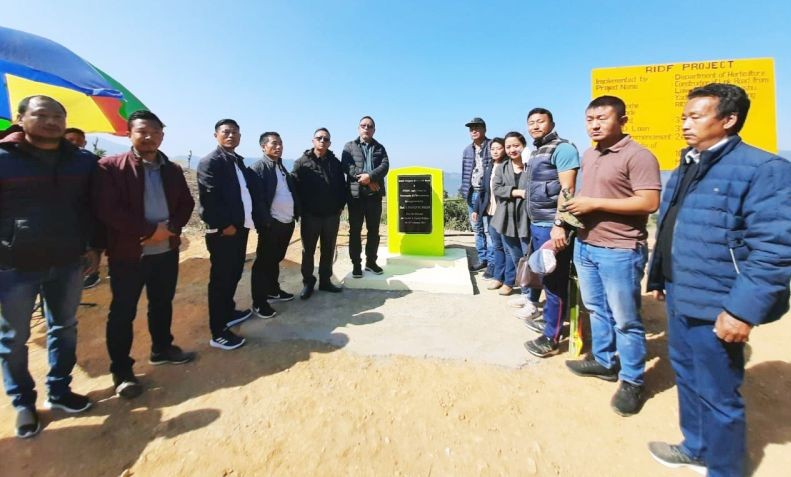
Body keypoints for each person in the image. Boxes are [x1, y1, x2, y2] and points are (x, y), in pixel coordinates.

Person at [645, 84, 791, 477]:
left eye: (695, 116)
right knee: (688, 376)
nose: (685, 123)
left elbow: (775, 250)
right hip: (680, 293)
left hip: (719, 302)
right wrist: (659, 277)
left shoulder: (764, 170)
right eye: (684, 116)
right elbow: (670, 227)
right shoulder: (686, 165)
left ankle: (725, 469)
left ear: (728, 119)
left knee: (718, 393)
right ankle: (696, 447)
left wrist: (740, 310)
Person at [0, 96, 99, 438]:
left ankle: (59, 390)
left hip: (68, 261)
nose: (52, 122)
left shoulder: (82, 161)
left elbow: (91, 208)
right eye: (42, 115)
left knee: (64, 328)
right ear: (20, 118)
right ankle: (23, 403)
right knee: (14, 338)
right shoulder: (3, 158)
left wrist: (93, 247)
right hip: (14, 266)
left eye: (59, 115)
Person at [563, 95, 661, 417]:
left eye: (602, 118)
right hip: (586, 245)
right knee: (596, 308)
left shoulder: (638, 156)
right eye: (590, 118)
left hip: (620, 250)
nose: (594, 124)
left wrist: (594, 204)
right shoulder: (589, 155)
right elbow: (585, 197)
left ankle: (633, 380)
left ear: (622, 120)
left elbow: (648, 203)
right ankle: (604, 360)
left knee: (626, 319)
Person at [94, 110, 196, 399]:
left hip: (166, 250)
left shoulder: (172, 169)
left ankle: (162, 348)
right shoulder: (110, 167)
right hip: (130, 252)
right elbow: (108, 209)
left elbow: (186, 204)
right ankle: (122, 371)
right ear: (129, 134)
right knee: (123, 311)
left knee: (162, 302)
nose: (149, 136)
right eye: (142, 131)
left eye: (155, 131)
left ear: (162, 136)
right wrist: (148, 230)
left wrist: (171, 228)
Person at [521, 108, 580, 358]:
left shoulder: (563, 148)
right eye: (531, 123)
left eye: (540, 121)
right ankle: (550, 321)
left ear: (552, 123)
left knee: (554, 281)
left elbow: (568, 189)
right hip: (537, 223)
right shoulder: (536, 152)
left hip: (551, 227)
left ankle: (551, 337)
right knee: (545, 276)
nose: (535, 126)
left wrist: (560, 224)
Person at [197, 119, 258, 351]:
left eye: (235, 132)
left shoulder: (237, 162)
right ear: (216, 135)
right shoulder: (210, 162)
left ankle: (228, 312)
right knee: (221, 280)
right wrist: (225, 225)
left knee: (233, 273)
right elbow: (209, 197)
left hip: (239, 228)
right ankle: (218, 331)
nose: (231, 136)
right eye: (226, 132)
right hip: (224, 231)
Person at [291, 128, 346, 299]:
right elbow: (294, 188)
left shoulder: (335, 162)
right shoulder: (302, 162)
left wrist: (340, 206)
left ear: (329, 143)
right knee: (308, 251)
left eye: (326, 139)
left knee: (328, 249)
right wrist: (300, 211)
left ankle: (325, 281)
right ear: (313, 141)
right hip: (310, 216)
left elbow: (342, 187)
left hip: (331, 215)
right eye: (319, 138)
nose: (322, 141)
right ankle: (308, 282)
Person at [249, 132, 297, 315]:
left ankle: (273, 290)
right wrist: (266, 222)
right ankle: (259, 302)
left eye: (281, 143)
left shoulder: (281, 166)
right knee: (263, 263)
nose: (279, 147)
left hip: (286, 222)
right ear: (263, 147)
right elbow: (257, 200)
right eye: (274, 143)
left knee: (275, 259)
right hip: (272, 224)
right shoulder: (258, 168)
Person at [341, 116, 390, 278]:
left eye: (369, 126)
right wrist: (368, 181)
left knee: (374, 231)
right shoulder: (349, 147)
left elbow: (385, 166)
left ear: (374, 130)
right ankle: (356, 265)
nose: (366, 128)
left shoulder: (380, 148)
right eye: (363, 125)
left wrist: (370, 176)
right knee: (355, 231)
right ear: (358, 128)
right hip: (356, 197)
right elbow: (348, 167)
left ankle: (371, 262)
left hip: (374, 197)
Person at [491, 132, 533, 300]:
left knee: (528, 257)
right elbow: (497, 188)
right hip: (505, 220)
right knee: (516, 258)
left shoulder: (531, 166)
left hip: (526, 218)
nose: (512, 150)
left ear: (523, 145)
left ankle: (530, 295)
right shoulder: (502, 167)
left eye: (516, 145)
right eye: (508, 147)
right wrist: (517, 192)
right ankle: (525, 292)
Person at [473, 137, 515, 291]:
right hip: (491, 212)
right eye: (492, 149)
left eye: (499, 148)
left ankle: (509, 281)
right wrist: (477, 209)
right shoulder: (490, 165)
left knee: (507, 247)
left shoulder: (508, 165)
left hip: (504, 213)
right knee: (497, 246)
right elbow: (483, 190)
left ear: (504, 149)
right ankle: (498, 277)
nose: (495, 151)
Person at [64, 127, 103, 290]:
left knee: (91, 246)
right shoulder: (50, 163)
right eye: (70, 140)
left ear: (85, 144)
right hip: (62, 219)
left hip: (87, 215)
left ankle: (92, 275)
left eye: (79, 141)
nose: (75, 144)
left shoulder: (91, 162)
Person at [460, 117, 492, 272]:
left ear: (485, 129)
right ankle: (482, 259)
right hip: (472, 194)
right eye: (471, 128)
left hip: (488, 194)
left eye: (477, 127)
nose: (473, 131)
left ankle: (492, 262)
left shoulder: (492, 146)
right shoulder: (467, 150)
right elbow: (465, 173)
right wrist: (464, 191)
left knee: (489, 230)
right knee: (477, 229)